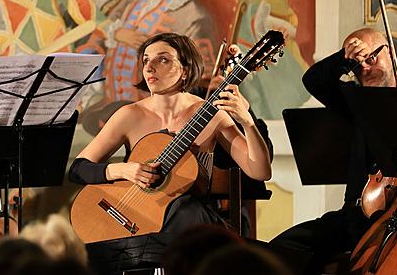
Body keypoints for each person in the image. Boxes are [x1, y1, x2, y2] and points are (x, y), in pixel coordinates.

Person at [269, 27, 397, 274]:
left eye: (371, 58)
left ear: (390, 53)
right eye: (356, 65)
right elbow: (313, 80)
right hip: (354, 217)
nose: (365, 69)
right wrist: (344, 58)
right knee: (281, 250)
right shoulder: (357, 102)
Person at [70, 32, 272, 232]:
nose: (149, 67)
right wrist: (123, 170)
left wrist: (247, 122)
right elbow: (79, 169)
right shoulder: (129, 115)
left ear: (185, 70)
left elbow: (260, 171)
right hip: (135, 222)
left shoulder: (211, 114)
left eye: (163, 60)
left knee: (183, 210)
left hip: (189, 227)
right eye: (146, 60)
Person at [94, 0, 214, 111]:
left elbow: (199, 82)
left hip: (155, 115)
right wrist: (118, 33)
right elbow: (103, 24)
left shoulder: (195, 15)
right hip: (112, 105)